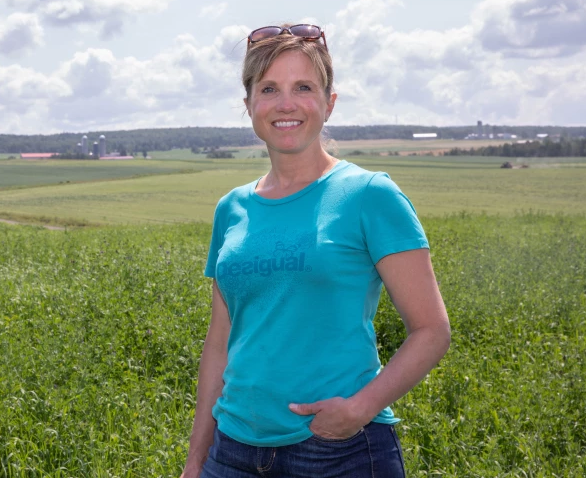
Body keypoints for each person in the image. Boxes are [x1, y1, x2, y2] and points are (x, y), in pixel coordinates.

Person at [180, 24, 451, 478]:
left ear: (329, 102)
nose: (286, 103)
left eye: (303, 87)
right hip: (231, 453)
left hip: (337, 451)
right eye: (269, 89)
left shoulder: (368, 194)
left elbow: (431, 329)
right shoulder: (232, 208)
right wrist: (195, 461)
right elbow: (220, 344)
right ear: (249, 105)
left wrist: (359, 409)